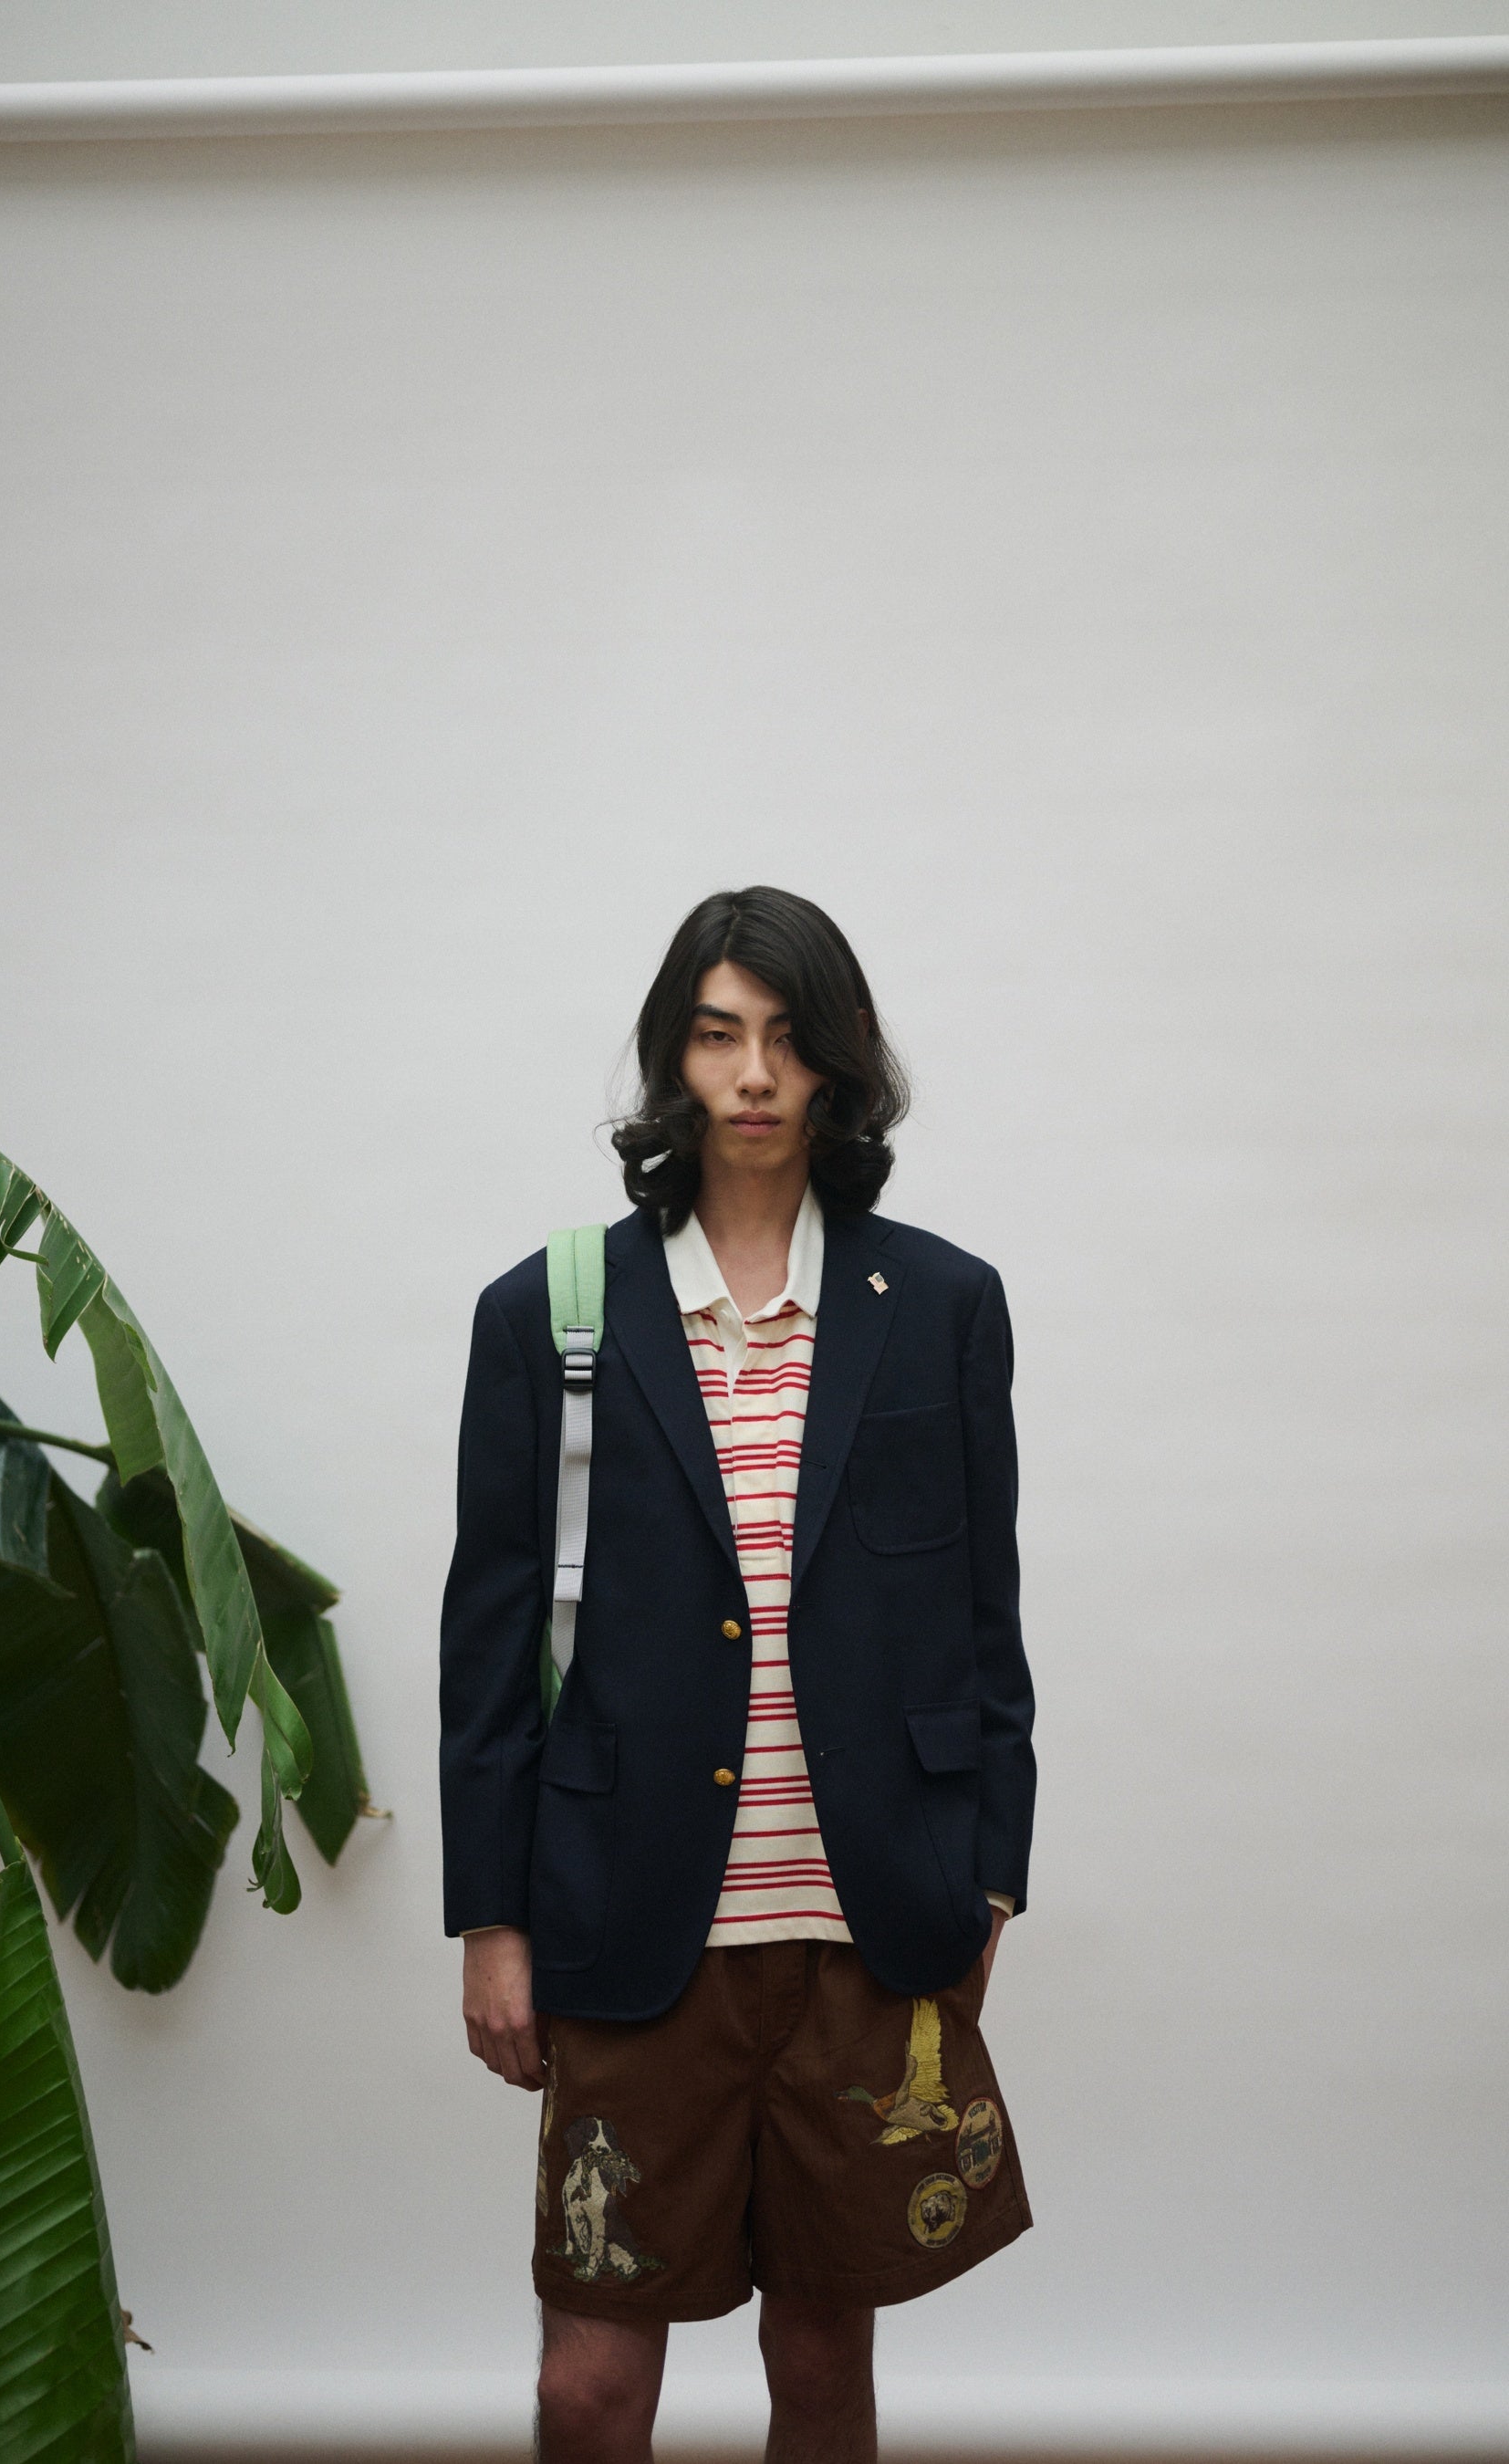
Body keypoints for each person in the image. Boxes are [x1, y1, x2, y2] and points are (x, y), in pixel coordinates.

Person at [441, 886, 1035, 2464]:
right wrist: (492, 1921)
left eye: (785, 1038)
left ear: (838, 1062)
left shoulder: (941, 1307)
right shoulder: (550, 1314)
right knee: (587, 2387)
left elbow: (986, 1619)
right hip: (629, 1919)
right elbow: (488, 1641)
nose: (754, 1074)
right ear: (674, 1062)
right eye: (717, 1037)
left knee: (823, 2365)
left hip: (862, 1926)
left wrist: (991, 1877)